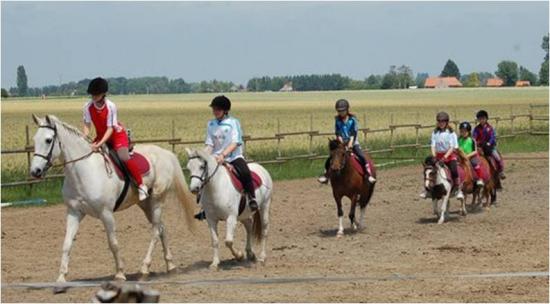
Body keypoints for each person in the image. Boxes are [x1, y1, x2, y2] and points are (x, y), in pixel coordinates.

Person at [82, 77, 148, 201]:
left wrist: (99, 144)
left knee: (123, 157)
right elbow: (87, 125)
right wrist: (84, 137)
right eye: (92, 94)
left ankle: (141, 185)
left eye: (96, 94)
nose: (94, 96)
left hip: (117, 135)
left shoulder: (110, 106)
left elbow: (110, 129)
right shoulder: (87, 107)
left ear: (103, 94)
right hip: (101, 135)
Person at [194, 95, 257, 220]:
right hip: (215, 158)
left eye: (217, 109)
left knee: (245, 172)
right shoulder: (211, 124)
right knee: (202, 175)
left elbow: (235, 142)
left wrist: (223, 155)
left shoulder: (234, 123)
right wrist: (202, 155)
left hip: (233, 157)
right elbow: (210, 144)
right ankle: (205, 208)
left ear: (225, 110)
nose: (215, 111)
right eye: (214, 109)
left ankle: (251, 198)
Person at [318, 99, 376, 184]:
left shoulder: (352, 120)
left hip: (352, 141)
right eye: (339, 111)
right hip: (341, 143)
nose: (341, 113)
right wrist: (341, 143)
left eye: (343, 111)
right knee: (330, 158)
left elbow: (353, 132)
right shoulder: (337, 120)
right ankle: (326, 176)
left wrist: (350, 143)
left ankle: (368, 175)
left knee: (361, 156)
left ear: (347, 110)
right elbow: (338, 132)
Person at [420, 112, 464, 199]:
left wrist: (445, 158)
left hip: (449, 155)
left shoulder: (451, 133)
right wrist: (434, 157)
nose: (441, 123)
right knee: (428, 169)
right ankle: (427, 190)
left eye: (443, 121)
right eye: (439, 121)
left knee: (454, 170)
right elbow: (433, 145)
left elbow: (452, 147)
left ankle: (458, 190)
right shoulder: (435, 133)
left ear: (446, 122)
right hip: (438, 156)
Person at [473, 110, 505, 179]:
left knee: (497, 157)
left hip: (489, 147)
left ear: (486, 119)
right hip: (480, 147)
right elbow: (474, 137)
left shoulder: (490, 128)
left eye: (483, 118)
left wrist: (489, 143)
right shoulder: (476, 129)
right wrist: (477, 143)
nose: (481, 120)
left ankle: (500, 171)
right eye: (480, 119)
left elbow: (492, 137)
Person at [458, 121, 484, 187]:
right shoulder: (459, 139)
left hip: (471, 156)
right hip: (461, 156)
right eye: (462, 131)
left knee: (475, 163)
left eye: (465, 131)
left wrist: (467, 156)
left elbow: (475, 151)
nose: (463, 133)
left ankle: (480, 178)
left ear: (469, 132)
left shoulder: (472, 140)